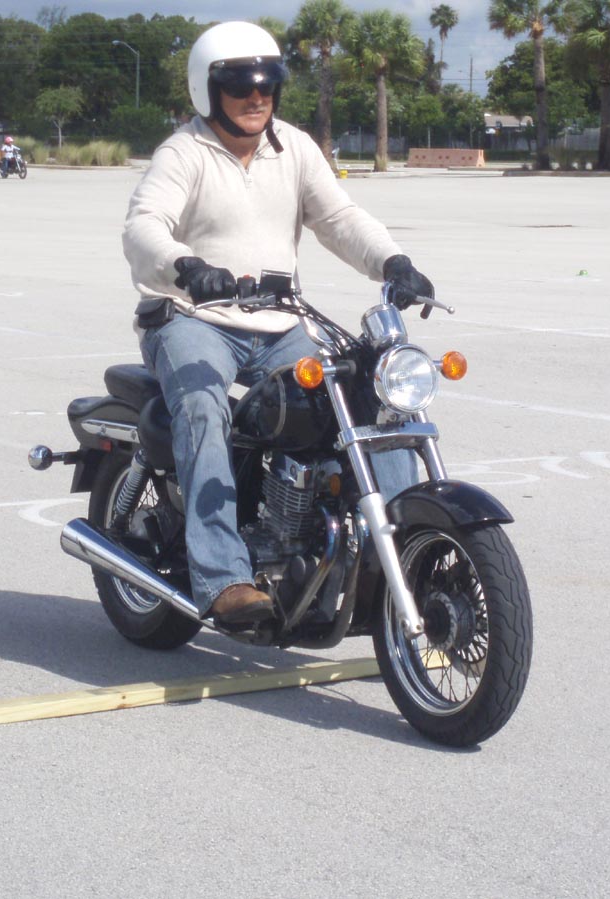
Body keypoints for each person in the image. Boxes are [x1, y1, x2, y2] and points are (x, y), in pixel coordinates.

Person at [122, 21, 432, 629]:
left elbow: (338, 218)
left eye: (266, 84)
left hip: (278, 321)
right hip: (193, 317)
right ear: (208, 89)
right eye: (240, 85)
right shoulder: (183, 152)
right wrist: (186, 267)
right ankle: (224, 578)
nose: (256, 96)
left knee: (366, 401)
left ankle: (399, 550)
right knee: (202, 409)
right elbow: (143, 226)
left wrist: (392, 261)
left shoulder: (293, 147)